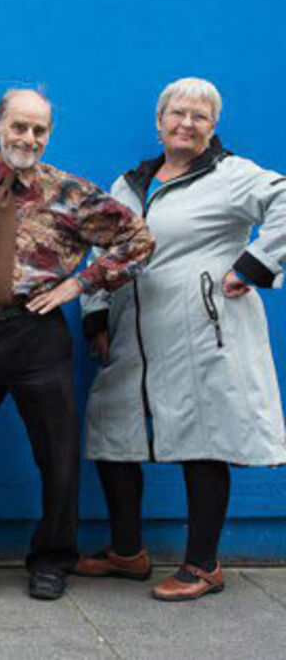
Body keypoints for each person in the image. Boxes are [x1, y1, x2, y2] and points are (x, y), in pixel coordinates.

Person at [0, 88, 156, 612]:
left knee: (57, 454)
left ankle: (52, 561)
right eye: (19, 126)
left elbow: (138, 240)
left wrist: (80, 284)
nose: (28, 138)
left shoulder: (69, 192)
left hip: (37, 335)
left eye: (39, 130)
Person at [75, 77, 286, 601]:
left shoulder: (231, 176)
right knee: (112, 430)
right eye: (178, 113)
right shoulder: (130, 184)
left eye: (200, 116)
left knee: (202, 435)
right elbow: (102, 249)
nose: (187, 124)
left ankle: (202, 564)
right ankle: (127, 551)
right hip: (133, 328)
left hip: (202, 331)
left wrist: (254, 265)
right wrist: (96, 315)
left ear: (212, 128)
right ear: (159, 121)